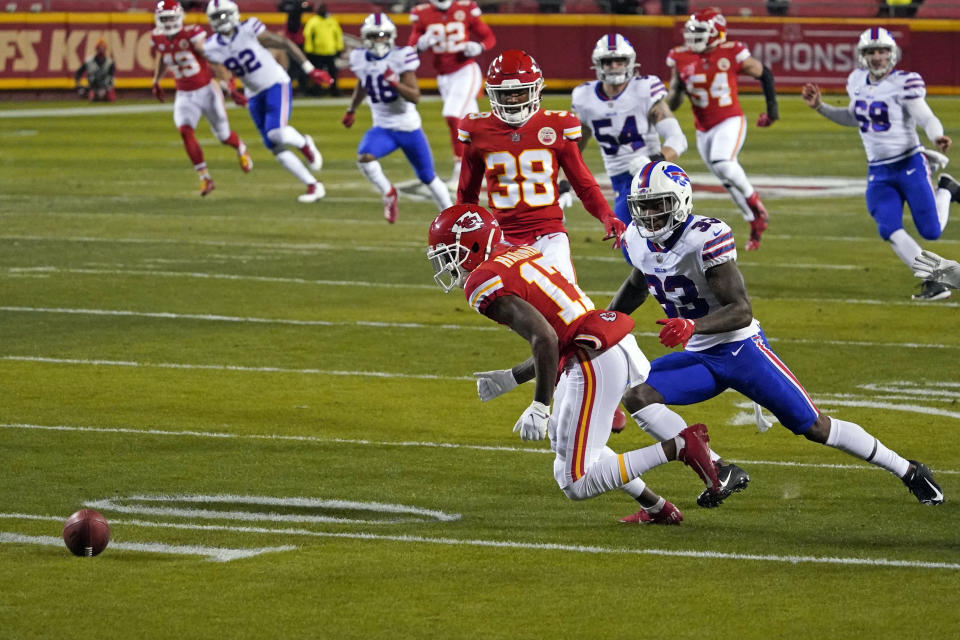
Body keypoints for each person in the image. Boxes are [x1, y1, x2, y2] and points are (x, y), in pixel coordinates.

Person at [606, 159, 944, 507]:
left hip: (741, 350)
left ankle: (909, 470)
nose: (649, 216)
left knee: (815, 427)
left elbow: (741, 310)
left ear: (681, 201)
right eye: (642, 207)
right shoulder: (637, 240)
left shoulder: (705, 237)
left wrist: (694, 325)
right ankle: (719, 468)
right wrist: (605, 320)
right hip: (700, 357)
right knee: (637, 395)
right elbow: (637, 284)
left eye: (657, 206)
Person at [427, 203, 721, 523]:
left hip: (592, 358)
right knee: (562, 441)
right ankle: (657, 508)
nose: (447, 262)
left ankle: (681, 446)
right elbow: (557, 334)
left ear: (472, 244)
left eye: (449, 252)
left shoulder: (481, 283)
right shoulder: (516, 255)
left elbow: (546, 339)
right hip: (599, 343)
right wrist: (513, 377)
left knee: (575, 481)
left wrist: (540, 405)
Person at [802, 27, 959, 302]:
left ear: (892, 53)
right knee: (888, 227)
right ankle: (933, 280)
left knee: (931, 231)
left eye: (882, 51)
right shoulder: (856, 81)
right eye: (871, 51)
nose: (877, 57)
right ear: (863, 55)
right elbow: (855, 118)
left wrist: (937, 135)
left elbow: (925, 115)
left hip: (909, 163)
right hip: (879, 170)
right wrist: (820, 107)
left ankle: (947, 188)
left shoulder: (905, 82)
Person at [457, 49, 626, 285]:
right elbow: (467, 195)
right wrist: (464, 236)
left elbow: (583, 184)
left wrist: (606, 215)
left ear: (535, 90)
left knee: (566, 304)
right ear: (493, 94)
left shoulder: (557, 126)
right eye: (506, 94)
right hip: (502, 237)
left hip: (549, 233)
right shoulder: (477, 130)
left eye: (519, 92)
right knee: (517, 312)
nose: (513, 99)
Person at [666, 7, 778, 252]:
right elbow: (674, 98)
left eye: (700, 31)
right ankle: (754, 223)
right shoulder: (680, 57)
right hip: (703, 128)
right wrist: (670, 101)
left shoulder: (732, 52)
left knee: (723, 162)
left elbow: (765, 74)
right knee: (726, 179)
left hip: (730, 119)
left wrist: (772, 112)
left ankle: (756, 204)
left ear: (716, 33)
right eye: (692, 31)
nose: (693, 37)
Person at [203, 0, 333, 203]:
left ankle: (304, 143)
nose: (221, 20)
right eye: (217, 17)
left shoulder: (250, 28)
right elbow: (220, 68)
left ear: (234, 13)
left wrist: (309, 69)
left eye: (224, 15)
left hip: (274, 82)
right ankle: (313, 185)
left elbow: (285, 43)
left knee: (276, 132)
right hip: (253, 92)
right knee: (273, 145)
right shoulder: (211, 47)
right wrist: (231, 87)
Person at [570, 33, 688, 252]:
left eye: (619, 61)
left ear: (630, 62)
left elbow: (678, 139)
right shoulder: (584, 98)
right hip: (621, 182)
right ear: (598, 63)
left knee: (668, 245)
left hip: (657, 177)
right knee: (630, 247)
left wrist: (652, 161)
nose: (614, 66)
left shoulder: (645, 89)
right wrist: (563, 183)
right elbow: (572, 151)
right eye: (608, 61)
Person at [341, 13, 453, 224]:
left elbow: (415, 96)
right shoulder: (359, 58)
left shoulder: (401, 57)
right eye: (374, 36)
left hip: (409, 128)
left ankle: (451, 216)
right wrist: (351, 109)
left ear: (391, 36)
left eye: (383, 35)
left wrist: (395, 83)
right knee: (364, 157)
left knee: (427, 176)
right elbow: (363, 83)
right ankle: (389, 192)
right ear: (366, 37)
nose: (379, 40)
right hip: (383, 128)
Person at [151, 0, 252, 198]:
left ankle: (240, 147)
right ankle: (205, 177)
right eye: (165, 18)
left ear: (179, 16)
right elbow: (163, 56)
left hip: (207, 90)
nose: (169, 22)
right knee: (185, 131)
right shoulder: (157, 37)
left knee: (223, 136)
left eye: (172, 17)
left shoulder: (191, 35)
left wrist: (230, 88)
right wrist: (156, 81)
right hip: (184, 94)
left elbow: (213, 61)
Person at [408, 0, 496, 184]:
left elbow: (488, 37)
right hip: (443, 77)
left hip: (465, 70)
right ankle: (488, 168)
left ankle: (460, 170)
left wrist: (479, 47)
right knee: (472, 124)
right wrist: (419, 47)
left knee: (452, 114)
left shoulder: (465, 7)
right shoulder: (422, 13)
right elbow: (410, 49)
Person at [303, 3, 343, 97]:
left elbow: (338, 35)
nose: (322, 11)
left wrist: (339, 48)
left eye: (323, 8)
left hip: (330, 52)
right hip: (317, 52)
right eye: (320, 9)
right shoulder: (313, 21)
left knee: (333, 73)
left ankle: (333, 90)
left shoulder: (332, 21)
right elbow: (308, 36)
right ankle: (318, 90)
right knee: (318, 73)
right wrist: (309, 50)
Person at [74, 38, 115, 102]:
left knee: (110, 97)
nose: (101, 50)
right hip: (92, 86)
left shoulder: (109, 62)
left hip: (105, 86)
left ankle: (104, 95)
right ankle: (92, 95)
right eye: (99, 48)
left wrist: (105, 89)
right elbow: (78, 73)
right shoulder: (89, 61)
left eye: (103, 48)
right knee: (85, 93)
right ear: (96, 49)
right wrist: (78, 84)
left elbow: (111, 78)